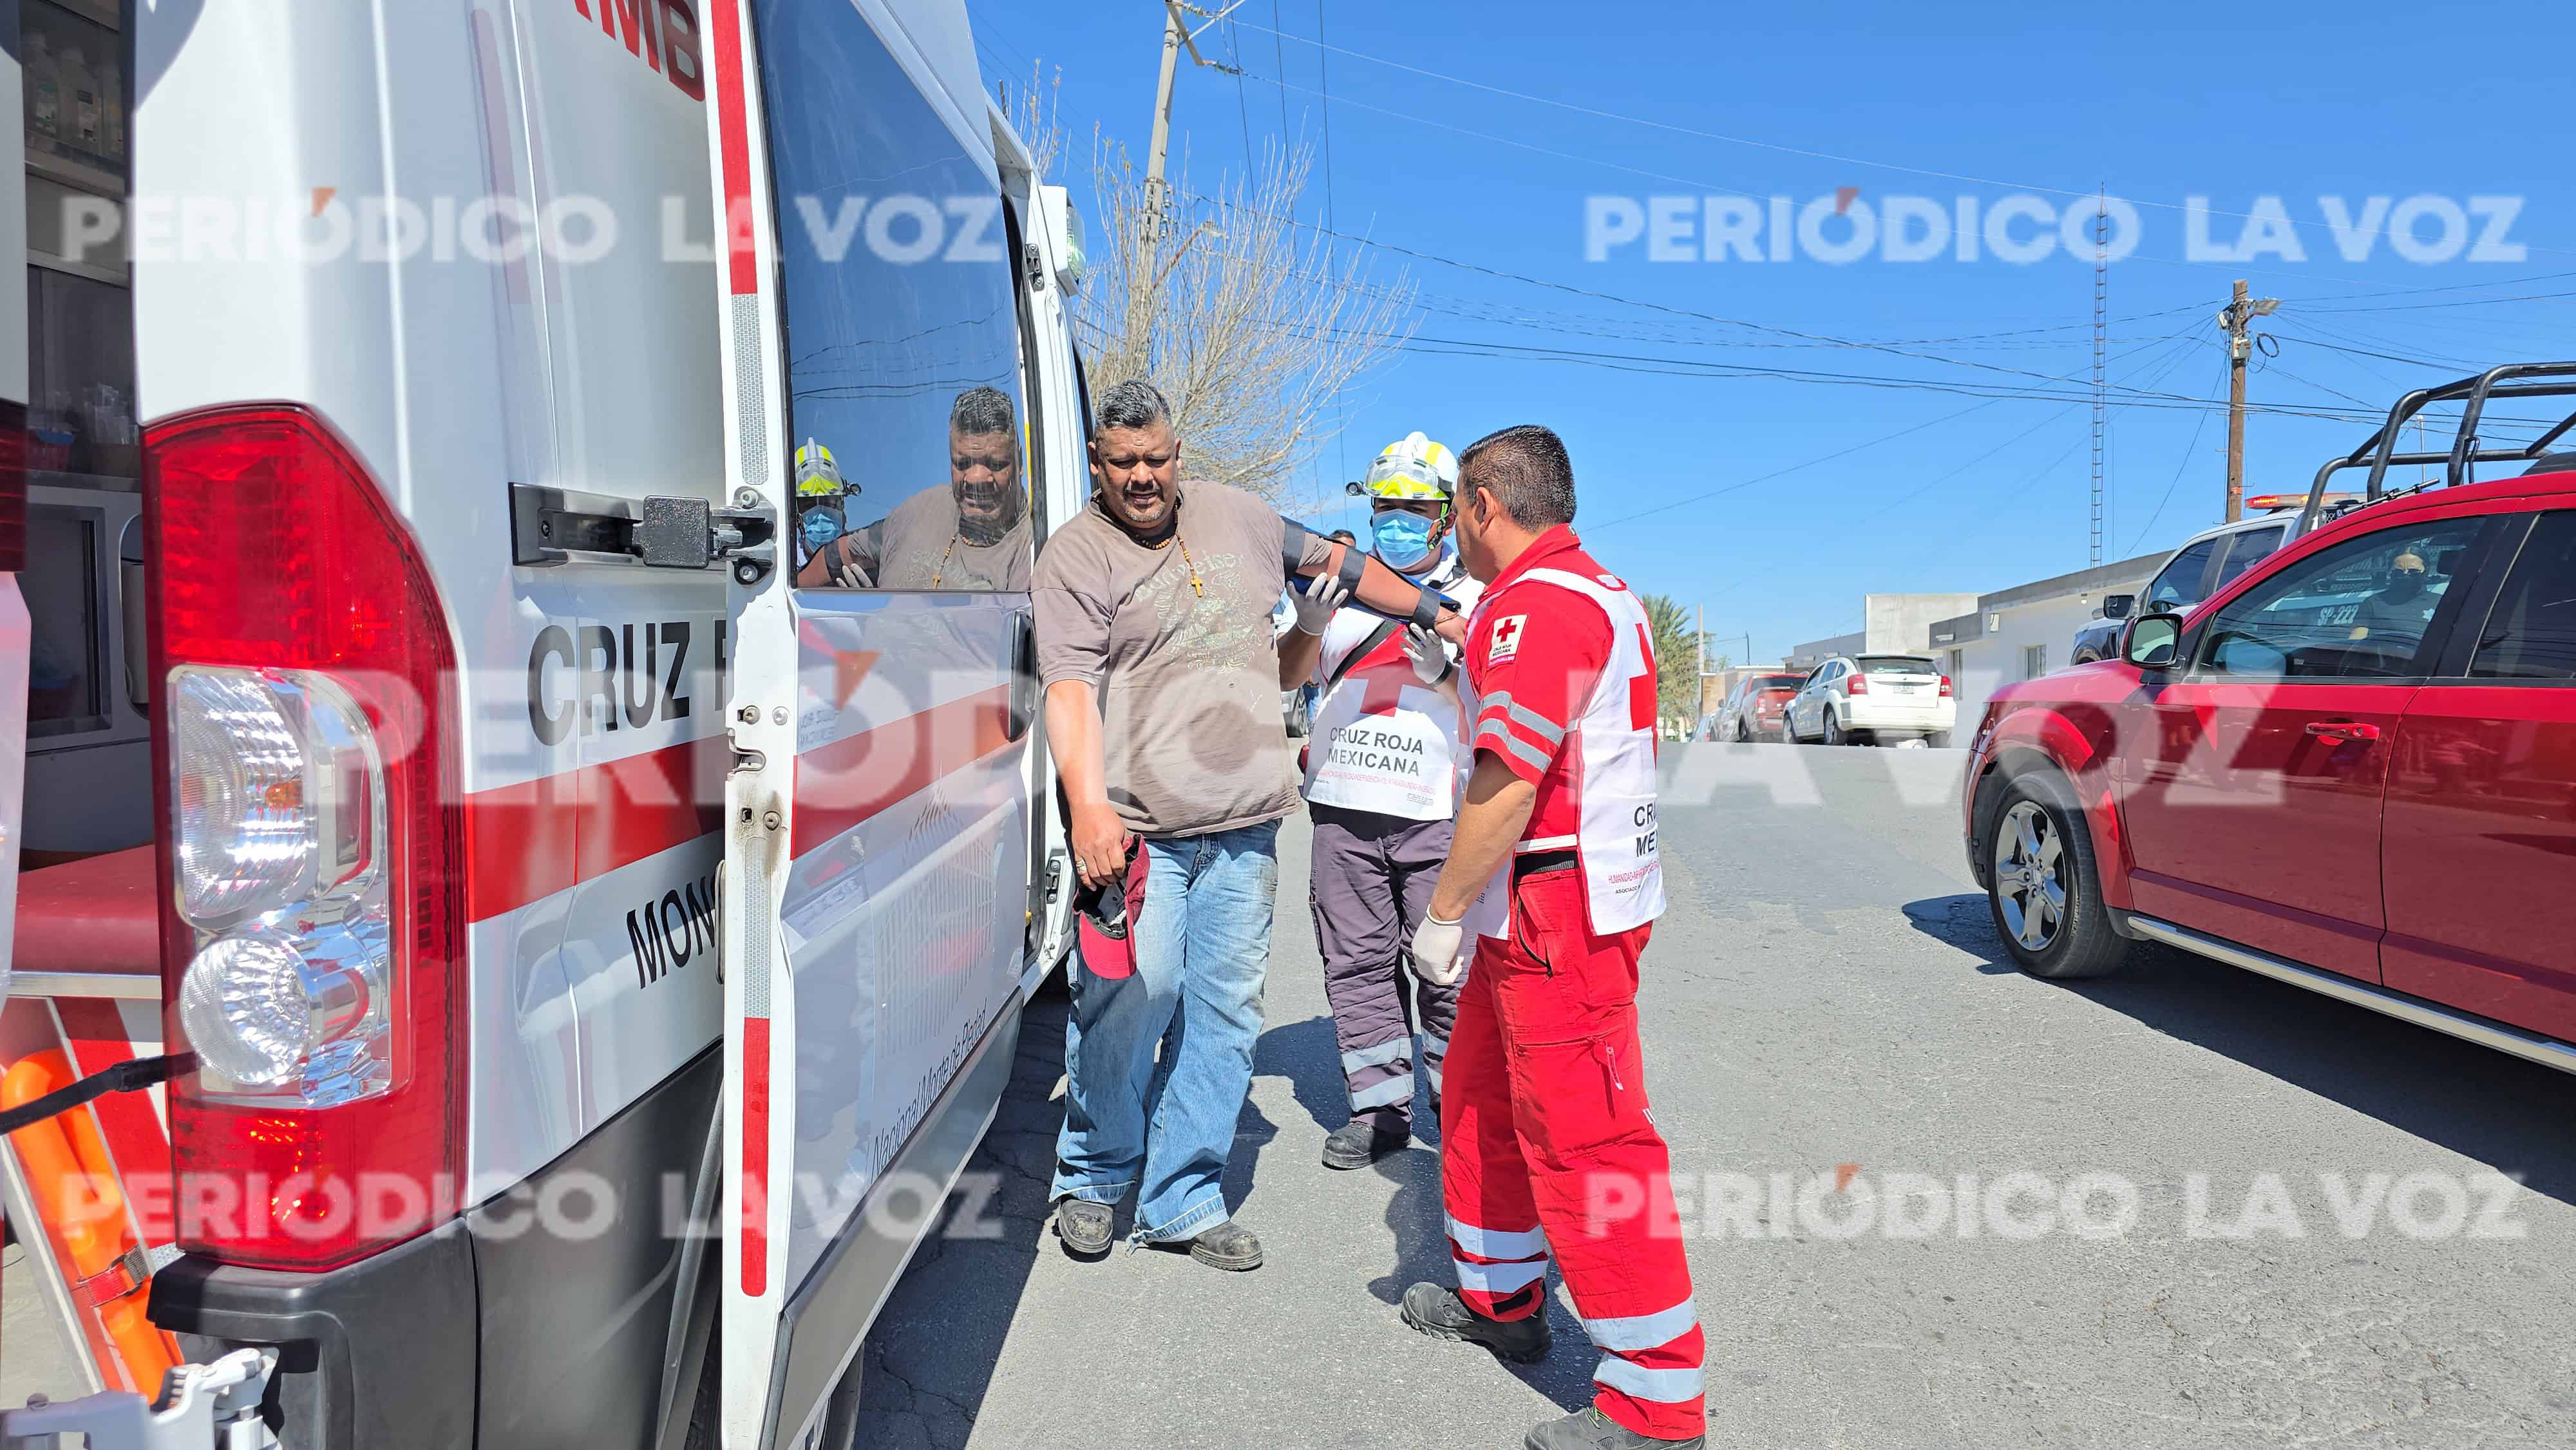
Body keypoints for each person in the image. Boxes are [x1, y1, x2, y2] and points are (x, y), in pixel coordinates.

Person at [1034, 379, 1462, 1270]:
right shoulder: (1075, 555)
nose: (1142, 477)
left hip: (1245, 827)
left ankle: (1182, 1198)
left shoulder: (1246, 519)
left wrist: (1436, 611)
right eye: (1123, 462)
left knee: (1225, 1017)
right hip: (1140, 831)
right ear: (1097, 464)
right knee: (1131, 999)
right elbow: (1068, 689)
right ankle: (1094, 1176)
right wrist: (1088, 807)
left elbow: (1346, 567)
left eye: (1156, 458)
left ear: (1178, 453)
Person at [1400, 426, 1707, 1450]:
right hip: (1545, 902)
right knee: (1480, 1098)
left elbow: (1510, 780)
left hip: (1553, 909)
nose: (1449, 528)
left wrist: (1443, 912)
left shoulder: (1535, 606)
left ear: (1484, 506)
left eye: (1453, 509)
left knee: (1589, 1143)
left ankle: (1659, 1404)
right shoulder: (1584, 592)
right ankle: (1504, 1302)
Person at [1274, 432, 1481, 1170]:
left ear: (1446, 515)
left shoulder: (1477, 597)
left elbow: (1510, 701)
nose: (1397, 518)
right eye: (1386, 504)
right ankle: (1381, 1110)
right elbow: (1286, 677)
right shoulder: (1339, 589)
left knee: (1446, 969)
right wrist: (1308, 624)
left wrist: (1452, 674)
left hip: (1438, 815)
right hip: (1343, 812)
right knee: (1356, 964)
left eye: (1414, 507)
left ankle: (1460, 1106)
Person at [796, 385, 1032, 590]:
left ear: (1020, 462)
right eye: (963, 464)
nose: (976, 478)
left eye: (996, 464)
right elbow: (834, 558)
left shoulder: (1033, 549)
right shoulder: (920, 511)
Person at [2348, 549, 2436, 645]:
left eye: (2413, 571)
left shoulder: (2441, 602)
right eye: (2399, 572)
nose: (2406, 575)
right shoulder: (2373, 603)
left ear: (2426, 571)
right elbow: (2356, 642)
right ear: (2390, 572)